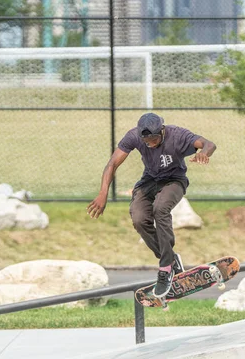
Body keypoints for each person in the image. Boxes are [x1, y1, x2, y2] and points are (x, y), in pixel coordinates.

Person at [87, 113, 216, 298]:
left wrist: (204, 153)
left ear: (162, 131)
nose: (150, 144)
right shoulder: (134, 136)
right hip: (149, 181)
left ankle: (165, 269)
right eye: (146, 141)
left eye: (154, 139)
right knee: (139, 218)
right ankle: (171, 260)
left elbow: (209, 144)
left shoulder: (178, 135)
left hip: (174, 180)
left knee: (160, 209)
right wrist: (102, 193)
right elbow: (112, 164)